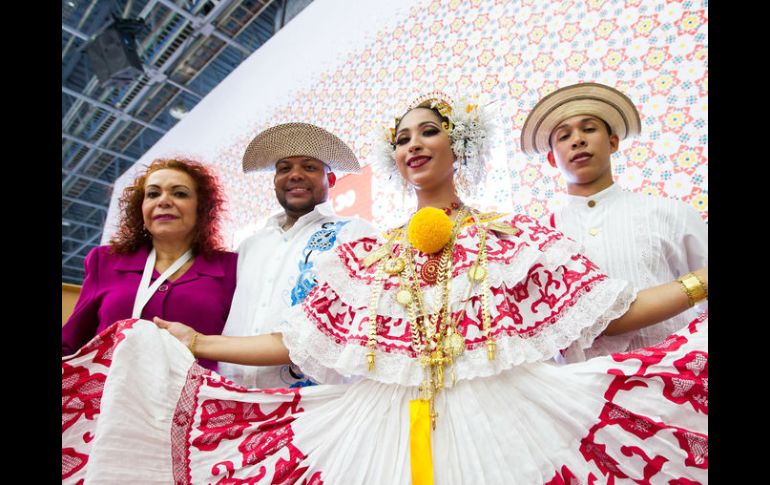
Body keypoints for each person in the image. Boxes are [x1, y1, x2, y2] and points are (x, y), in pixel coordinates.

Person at [62, 95, 708, 484]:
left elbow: (618, 312)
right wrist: (201, 338)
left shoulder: (513, 236)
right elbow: (296, 340)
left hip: (506, 423)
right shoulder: (370, 254)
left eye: (429, 131)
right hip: (384, 432)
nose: (414, 144)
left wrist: (702, 280)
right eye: (402, 137)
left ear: (458, 146)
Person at [520, 82, 708, 361]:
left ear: (613, 142)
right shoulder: (538, 238)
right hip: (584, 398)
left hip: (678, 389)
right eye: (563, 136)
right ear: (551, 158)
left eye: (589, 128)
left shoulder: (672, 213)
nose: (578, 140)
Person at [220, 122, 376, 388]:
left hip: (315, 405)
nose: (295, 175)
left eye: (310, 167)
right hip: (234, 397)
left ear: (331, 179)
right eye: (284, 168)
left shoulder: (354, 234)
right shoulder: (249, 246)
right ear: (274, 181)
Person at [61, 158, 237, 371]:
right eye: (153, 194)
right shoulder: (105, 261)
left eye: (179, 193)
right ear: (141, 207)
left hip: (196, 399)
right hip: (108, 399)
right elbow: (70, 343)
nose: (163, 201)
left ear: (202, 208)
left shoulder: (230, 268)